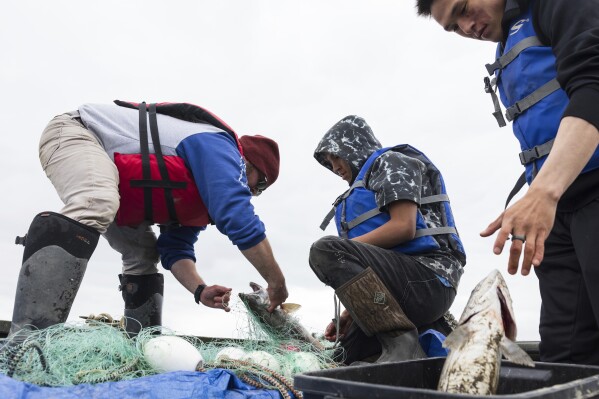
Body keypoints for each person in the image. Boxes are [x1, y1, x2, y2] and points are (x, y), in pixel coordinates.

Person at [6, 100, 289, 340]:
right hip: (79, 132)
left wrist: (200, 290)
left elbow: (175, 250)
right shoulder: (220, 146)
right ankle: (30, 339)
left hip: (112, 175)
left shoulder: (204, 194)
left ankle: (140, 344)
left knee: (143, 253)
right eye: (259, 186)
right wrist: (275, 281)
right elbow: (237, 216)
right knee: (96, 201)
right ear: (247, 163)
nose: (253, 193)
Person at [416, 0, 599, 364]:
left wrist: (543, 192)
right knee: (565, 349)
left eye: (464, 8)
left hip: (576, 191)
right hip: (555, 214)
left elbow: (593, 83)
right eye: (454, 27)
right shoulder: (507, 47)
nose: (467, 27)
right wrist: (543, 196)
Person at [308, 115, 466, 364]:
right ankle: (408, 346)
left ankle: (401, 340)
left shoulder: (390, 162)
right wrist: (350, 312)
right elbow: (370, 270)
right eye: (329, 163)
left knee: (324, 250)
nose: (335, 166)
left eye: (336, 156)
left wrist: (343, 250)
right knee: (338, 361)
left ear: (353, 146)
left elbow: (404, 227)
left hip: (428, 282)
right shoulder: (363, 185)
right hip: (396, 294)